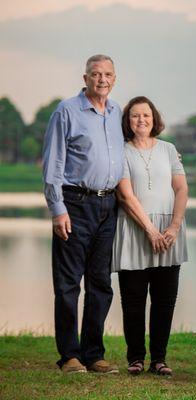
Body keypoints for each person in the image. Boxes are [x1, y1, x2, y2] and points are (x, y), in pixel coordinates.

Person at [42, 54, 123, 373]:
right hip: (74, 204)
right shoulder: (67, 111)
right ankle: (70, 355)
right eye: (96, 74)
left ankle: (94, 353)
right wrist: (57, 208)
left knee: (101, 282)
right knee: (68, 284)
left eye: (108, 74)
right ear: (85, 78)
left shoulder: (117, 112)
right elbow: (53, 162)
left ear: (115, 78)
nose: (102, 79)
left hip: (108, 205)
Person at [111, 96, 188, 376]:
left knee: (165, 300)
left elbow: (181, 189)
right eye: (134, 116)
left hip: (169, 231)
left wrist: (173, 228)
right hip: (134, 230)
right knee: (133, 300)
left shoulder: (169, 150)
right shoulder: (120, 152)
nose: (141, 120)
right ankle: (135, 358)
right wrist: (150, 230)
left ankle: (159, 359)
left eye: (145, 115)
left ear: (154, 118)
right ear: (127, 121)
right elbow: (126, 196)